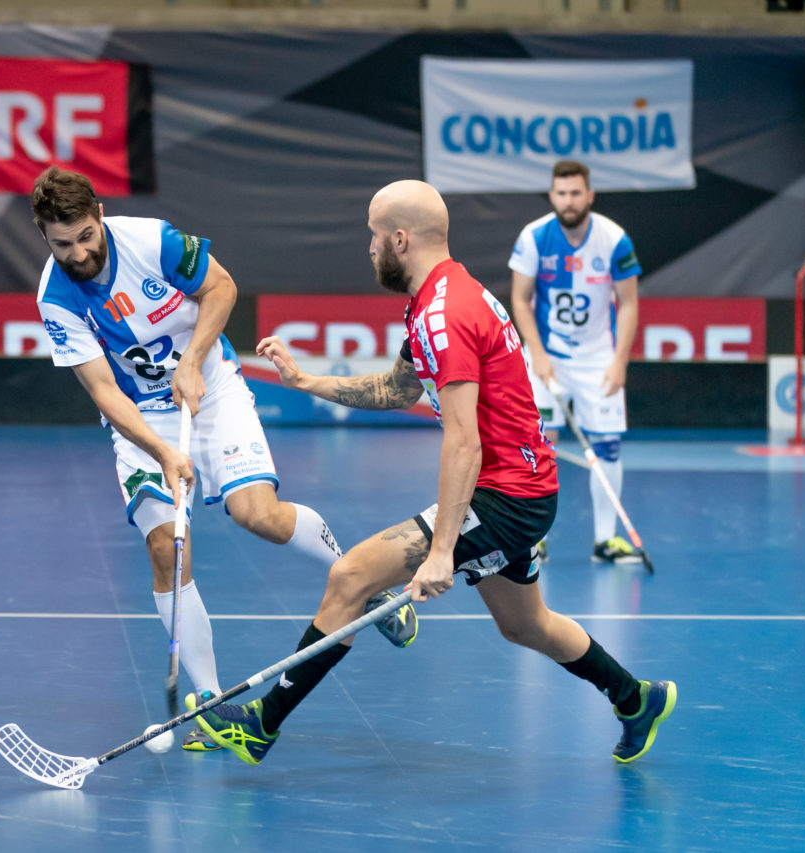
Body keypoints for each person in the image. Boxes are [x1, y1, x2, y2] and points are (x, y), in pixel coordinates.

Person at [187, 179, 675, 767]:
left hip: (505, 497)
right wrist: (306, 381)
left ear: (400, 239)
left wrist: (442, 551)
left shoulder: (447, 312)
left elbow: (464, 443)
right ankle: (635, 699)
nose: (369, 247)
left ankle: (261, 725)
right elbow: (399, 389)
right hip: (522, 489)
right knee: (526, 625)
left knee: (351, 576)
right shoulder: (437, 297)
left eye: (374, 236)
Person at [29, 168, 418, 750]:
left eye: (86, 236)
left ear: (100, 214)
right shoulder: (55, 299)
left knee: (257, 514)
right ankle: (213, 705)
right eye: (64, 244)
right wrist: (162, 450)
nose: (79, 253)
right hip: (143, 418)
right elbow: (104, 391)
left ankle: (362, 581)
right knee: (166, 547)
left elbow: (222, 288)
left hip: (210, 384)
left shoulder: (152, 241)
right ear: (44, 235)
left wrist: (192, 361)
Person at [509, 160, 644, 565]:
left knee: (608, 447)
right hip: (547, 357)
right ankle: (535, 539)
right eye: (562, 193)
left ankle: (605, 541)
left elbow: (629, 303)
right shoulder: (534, 237)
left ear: (590, 195)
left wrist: (620, 362)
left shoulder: (614, 239)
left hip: (598, 359)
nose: (569, 200)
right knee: (538, 447)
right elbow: (520, 299)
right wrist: (537, 354)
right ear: (553, 196)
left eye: (576, 193)